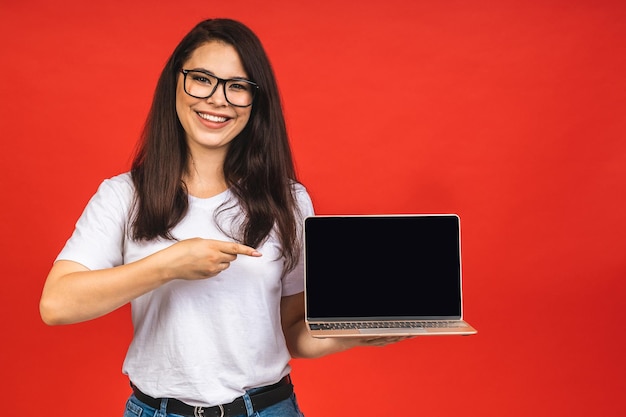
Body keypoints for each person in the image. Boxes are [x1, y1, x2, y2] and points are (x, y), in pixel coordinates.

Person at [39, 18, 406, 417]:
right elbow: (57, 304)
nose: (218, 99)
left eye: (237, 86)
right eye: (202, 79)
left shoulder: (289, 200)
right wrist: (168, 265)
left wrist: (357, 335)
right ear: (175, 84)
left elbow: (293, 334)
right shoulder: (124, 195)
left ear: (255, 100)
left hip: (267, 408)